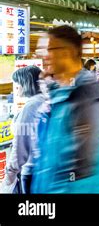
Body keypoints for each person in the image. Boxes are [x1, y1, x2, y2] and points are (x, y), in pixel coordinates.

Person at [31, 25, 99, 193]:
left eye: (47, 50)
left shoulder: (87, 99)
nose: (42, 56)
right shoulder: (57, 96)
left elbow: (86, 176)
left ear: (67, 52)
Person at [0, 66, 44, 194]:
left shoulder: (30, 107)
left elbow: (20, 147)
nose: (16, 87)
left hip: (31, 171)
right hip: (44, 169)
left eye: (17, 83)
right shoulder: (45, 100)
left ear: (26, 84)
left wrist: (9, 176)